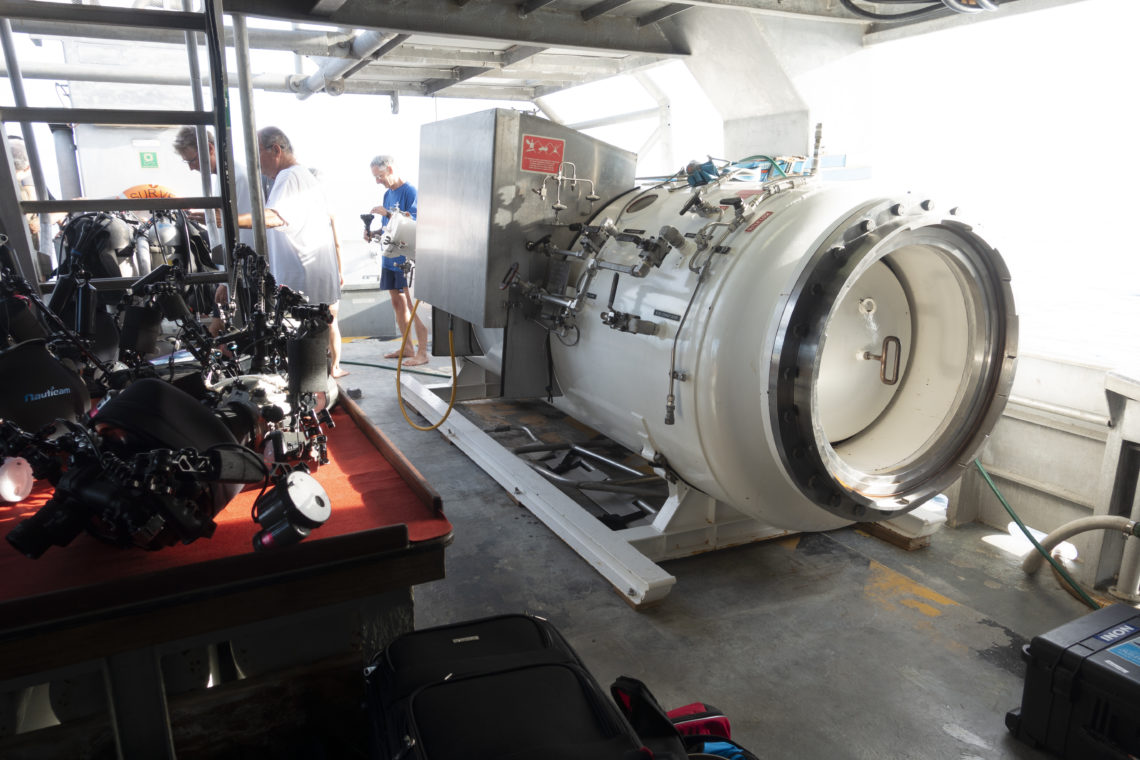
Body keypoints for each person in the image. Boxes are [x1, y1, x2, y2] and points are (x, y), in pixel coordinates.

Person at [238, 127, 347, 378]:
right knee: (313, 352)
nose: (255, 164)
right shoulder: (303, 177)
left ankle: (313, 402)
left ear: (276, 150)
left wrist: (231, 220)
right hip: (309, 280)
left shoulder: (289, 177)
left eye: (256, 155)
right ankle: (318, 395)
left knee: (303, 357)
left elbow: (275, 217)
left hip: (300, 283)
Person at [369, 154, 428, 367]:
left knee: (413, 305)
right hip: (390, 258)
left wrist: (388, 213)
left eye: (380, 176)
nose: (378, 181)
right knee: (397, 304)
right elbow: (390, 227)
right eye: (375, 177)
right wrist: (374, 232)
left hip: (406, 258)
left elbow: (413, 221)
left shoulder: (410, 191)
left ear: (391, 169)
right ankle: (407, 347)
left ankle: (422, 352)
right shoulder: (388, 194)